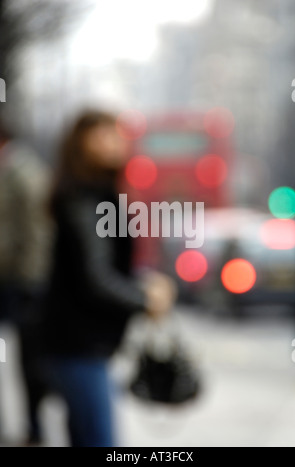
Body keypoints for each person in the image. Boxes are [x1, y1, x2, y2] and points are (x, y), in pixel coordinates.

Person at [43, 110, 176, 447]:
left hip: (78, 344)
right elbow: (96, 278)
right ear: (80, 145)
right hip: (79, 346)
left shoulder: (99, 194)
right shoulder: (86, 200)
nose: (115, 143)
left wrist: (144, 283)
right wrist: (146, 298)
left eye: (116, 135)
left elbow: (108, 267)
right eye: (102, 136)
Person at [0, 121, 52, 444]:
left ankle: (34, 426)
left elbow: (36, 232)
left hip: (21, 280)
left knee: (29, 359)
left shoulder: (24, 173)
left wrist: (33, 280)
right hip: (6, 276)